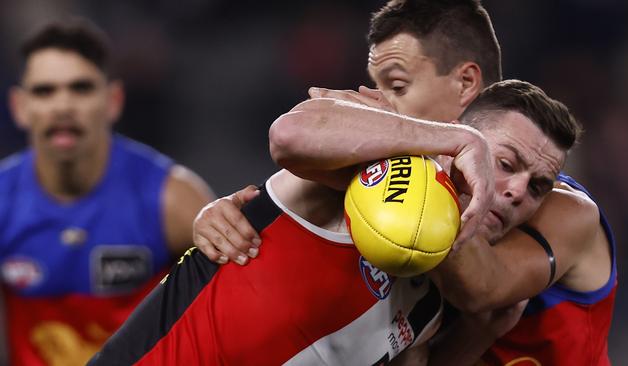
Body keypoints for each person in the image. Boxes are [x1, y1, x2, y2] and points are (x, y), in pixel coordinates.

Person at [194, 0, 616, 365]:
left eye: (398, 85)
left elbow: (485, 290)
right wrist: (236, 212)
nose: (382, 104)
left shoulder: (565, 210)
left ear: (466, 87)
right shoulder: (408, 203)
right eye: (378, 87)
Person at [89, 78, 579, 366]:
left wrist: (480, 333)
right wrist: (455, 144)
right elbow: (290, 132)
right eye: (506, 162)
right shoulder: (385, 172)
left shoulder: (447, 298)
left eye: (538, 186)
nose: (515, 191)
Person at [0, 19, 214, 365]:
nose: (63, 106)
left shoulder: (174, 200)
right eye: (44, 91)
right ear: (19, 107)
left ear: (113, 101)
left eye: (80, 88)